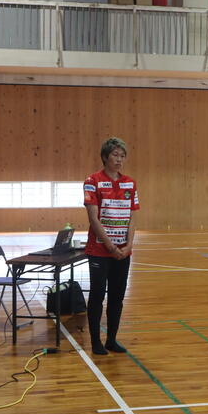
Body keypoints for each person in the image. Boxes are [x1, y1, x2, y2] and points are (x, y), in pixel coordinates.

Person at [83, 137, 139, 355]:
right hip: (99, 252)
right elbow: (93, 219)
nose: (119, 159)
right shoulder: (92, 181)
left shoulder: (130, 183)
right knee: (97, 296)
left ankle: (111, 340)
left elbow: (133, 218)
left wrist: (128, 245)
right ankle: (95, 342)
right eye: (115, 155)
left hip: (123, 252)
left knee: (117, 297)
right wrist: (110, 247)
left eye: (122, 156)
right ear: (105, 157)